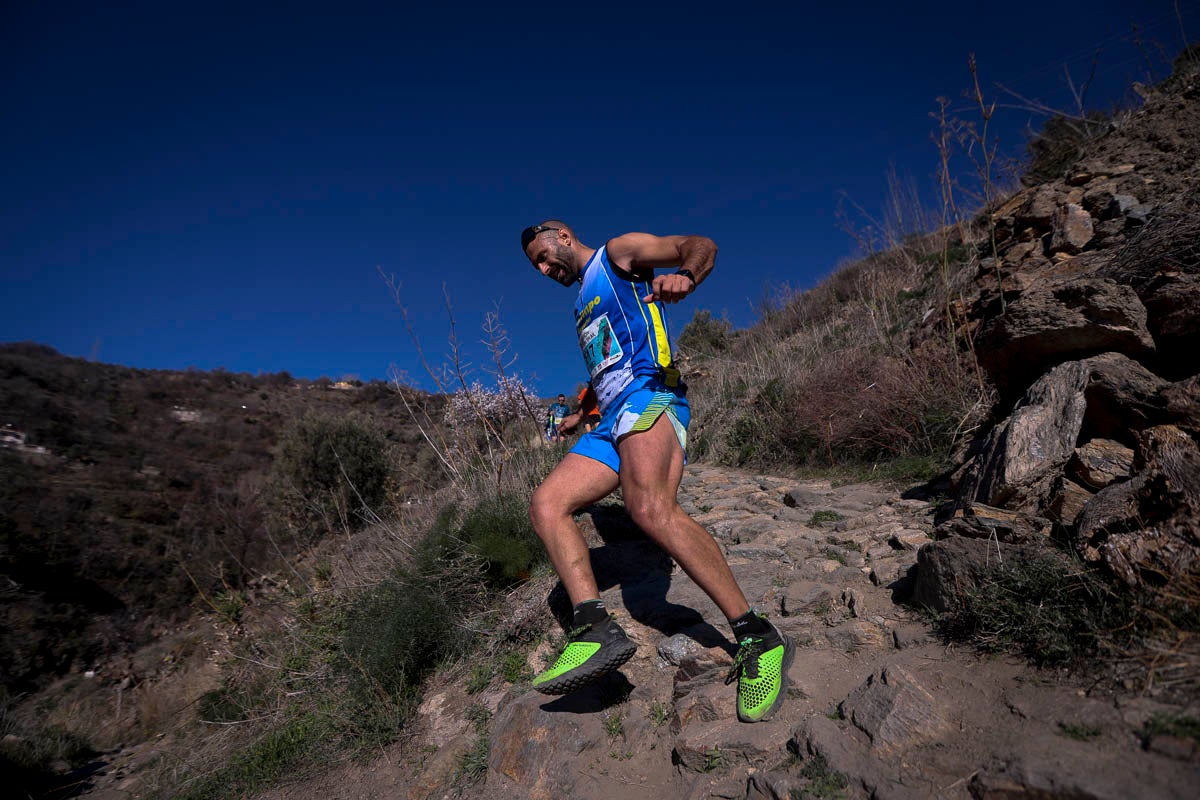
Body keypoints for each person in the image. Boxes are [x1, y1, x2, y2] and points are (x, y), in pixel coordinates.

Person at [520, 220, 793, 723]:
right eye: (535, 267)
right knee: (547, 505)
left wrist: (686, 275)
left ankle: (758, 636)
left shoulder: (617, 255)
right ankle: (593, 627)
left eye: (542, 255)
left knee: (648, 508)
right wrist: (582, 412)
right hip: (610, 419)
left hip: (651, 397)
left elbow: (700, 245)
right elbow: (609, 360)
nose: (542, 269)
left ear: (562, 235)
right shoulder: (583, 301)